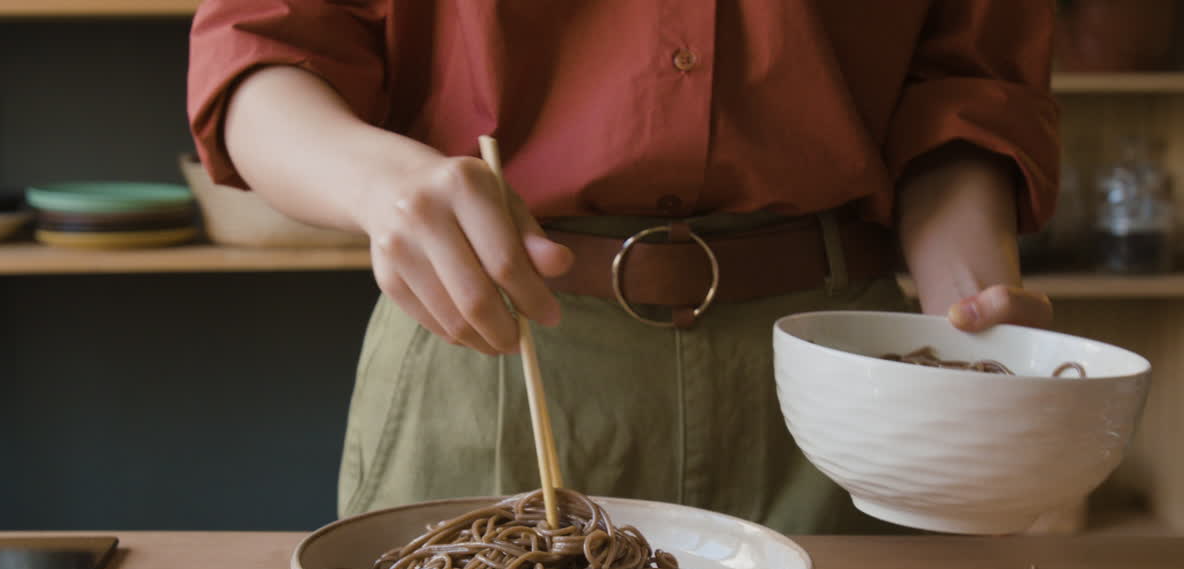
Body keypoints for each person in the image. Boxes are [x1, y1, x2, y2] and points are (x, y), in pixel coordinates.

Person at [186, 1, 1059, 534]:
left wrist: (968, 308)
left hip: (835, 379)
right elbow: (260, 47)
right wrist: (379, 182)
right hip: (495, 340)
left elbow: (963, 85)